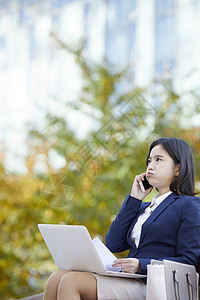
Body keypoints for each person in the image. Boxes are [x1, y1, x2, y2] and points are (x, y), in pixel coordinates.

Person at [42, 137, 200, 300]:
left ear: (178, 169)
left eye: (158, 159)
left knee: (70, 281)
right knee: (56, 277)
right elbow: (113, 244)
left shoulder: (189, 204)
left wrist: (141, 265)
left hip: (154, 286)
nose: (150, 166)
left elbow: (189, 261)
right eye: (149, 160)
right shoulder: (142, 208)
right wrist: (134, 199)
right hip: (128, 280)